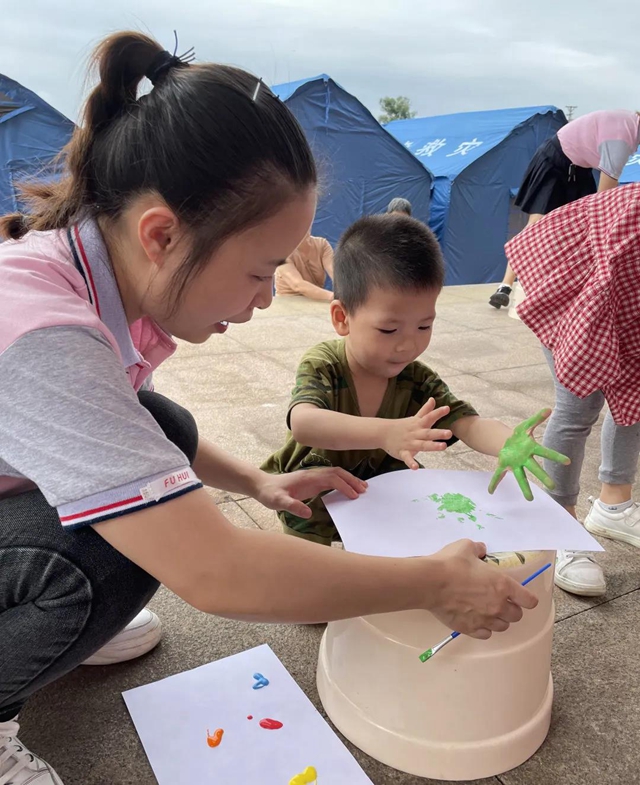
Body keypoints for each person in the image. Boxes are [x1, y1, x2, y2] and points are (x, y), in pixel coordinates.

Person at [0, 32, 539, 785]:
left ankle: (52, 627)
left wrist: (258, 483)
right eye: (259, 272)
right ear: (162, 234)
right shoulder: (41, 329)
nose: (263, 301)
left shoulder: (98, 279)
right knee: (95, 561)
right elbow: (216, 572)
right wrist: (433, 582)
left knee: (167, 430)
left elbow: (133, 428)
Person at [262, 213, 566, 545]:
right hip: (313, 502)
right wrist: (386, 433)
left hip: (381, 500)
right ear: (342, 318)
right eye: (389, 329)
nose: (408, 344)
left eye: (424, 326)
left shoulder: (416, 379)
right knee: (312, 578)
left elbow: (466, 423)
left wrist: (508, 443)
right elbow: (305, 423)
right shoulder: (324, 364)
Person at [505, 182, 640, 597]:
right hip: (572, 281)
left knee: (634, 393)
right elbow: (598, 304)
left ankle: (613, 506)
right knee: (580, 403)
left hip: (614, 283)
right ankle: (559, 521)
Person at [489, 109, 640, 309]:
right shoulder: (621, 138)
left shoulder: (631, 125)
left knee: (576, 231)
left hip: (579, 169)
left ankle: (563, 290)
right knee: (537, 226)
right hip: (555, 160)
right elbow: (605, 199)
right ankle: (505, 286)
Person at [274, 231, 334, 301]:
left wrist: (346, 292)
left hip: (315, 300)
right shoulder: (281, 251)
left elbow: (335, 273)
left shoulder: (322, 244)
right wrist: (333, 296)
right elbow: (298, 285)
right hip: (289, 301)